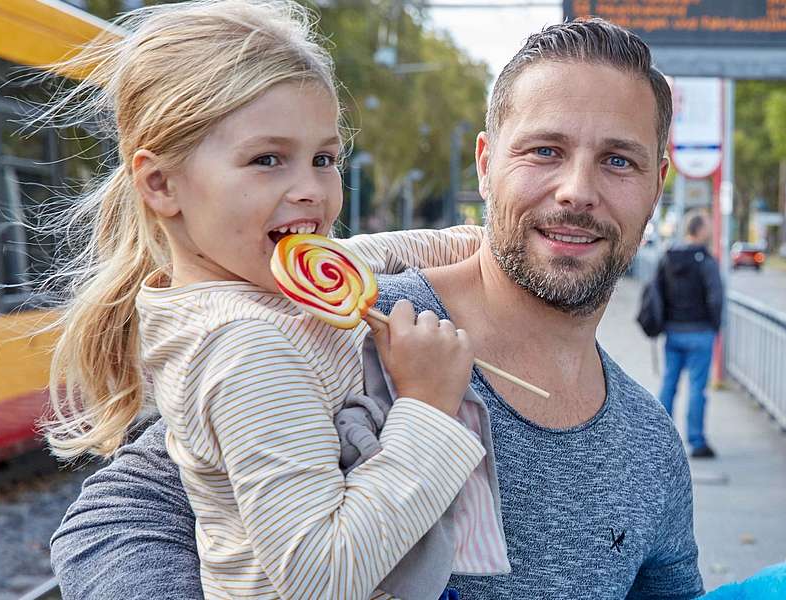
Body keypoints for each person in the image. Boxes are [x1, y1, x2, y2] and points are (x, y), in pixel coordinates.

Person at [49, 17, 704, 600]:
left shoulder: (650, 448)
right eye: (544, 152)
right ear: (484, 165)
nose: (576, 191)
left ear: (656, 188)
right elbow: (112, 525)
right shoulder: (327, 326)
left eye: (619, 161)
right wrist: (426, 407)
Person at [38, 1, 499, 598]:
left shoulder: (266, 276)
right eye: (267, 160)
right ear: (160, 183)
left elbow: (391, 249)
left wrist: (491, 245)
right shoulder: (246, 347)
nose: (310, 190)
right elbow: (322, 574)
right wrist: (429, 405)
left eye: (324, 159)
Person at [652, 212, 724, 458]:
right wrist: (714, 326)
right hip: (700, 332)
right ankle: (696, 441)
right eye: (708, 227)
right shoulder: (705, 261)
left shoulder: (668, 258)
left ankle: (658, 440)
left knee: (669, 384)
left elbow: (656, 292)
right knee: (697, 388)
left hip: (673, 331)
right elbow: (716, 297)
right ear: (700, 231)